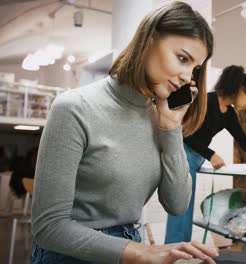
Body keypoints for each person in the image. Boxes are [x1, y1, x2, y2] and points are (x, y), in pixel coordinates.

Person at [31, 2, 219, 263]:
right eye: (183, 58)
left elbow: (177, 205)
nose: (187, 75)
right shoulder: (74, 108)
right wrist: (141, 252)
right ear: (150, 39)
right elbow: (48, 227)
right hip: (71, 256)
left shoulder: (161, 117)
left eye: (195, 69)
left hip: (130, 250)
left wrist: (171, 128)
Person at [165, 65, 246, 244]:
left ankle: (181, 251)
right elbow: (183, 132)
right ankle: (173, 249)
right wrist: (211, 154)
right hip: (184, 154)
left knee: (186, 207)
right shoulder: (207, 101)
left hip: (196, 157)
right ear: (240, 90)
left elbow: (245, 144)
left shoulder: (228, 113)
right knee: (181, 208)